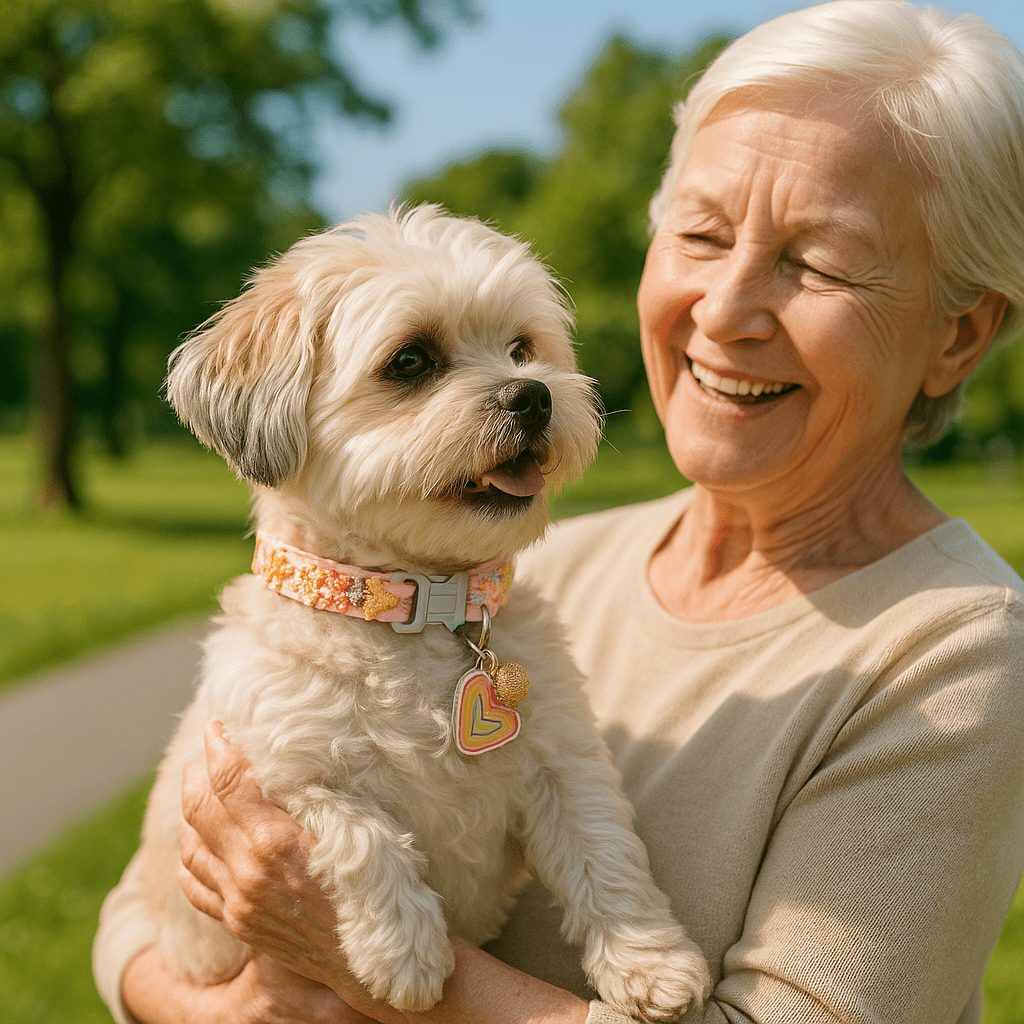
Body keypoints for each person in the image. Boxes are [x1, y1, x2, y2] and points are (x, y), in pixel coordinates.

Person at [94, 1, 1024, 1021]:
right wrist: (219, 1010)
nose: (723, 310)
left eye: (815, 261)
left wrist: (401, 981)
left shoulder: (959, 663)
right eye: (703, 235)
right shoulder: (539, 559)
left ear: (959, 333)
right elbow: (133, 922)